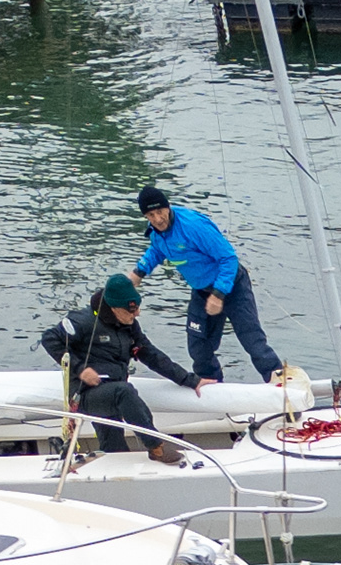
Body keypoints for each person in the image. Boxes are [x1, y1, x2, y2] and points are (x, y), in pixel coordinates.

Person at [131, 183, 283, 386]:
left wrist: (219, 294)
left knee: (252, 340)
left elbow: (228, 258)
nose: (158, 219)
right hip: (202, 291)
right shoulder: (156, 231)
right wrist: (139, 271)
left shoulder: (194, 226)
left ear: (168, 207)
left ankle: (279, 382)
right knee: (198, 347)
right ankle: (211, 386)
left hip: (231, 286)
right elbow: (158, 250)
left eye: (160, 212)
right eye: (151, 215)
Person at [42, 275, 198, 457]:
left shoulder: (129, 325)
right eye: (131, 310)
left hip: (111, 391)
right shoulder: (82, 322)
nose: (137, 314)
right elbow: (49, 339)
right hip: (85, 394)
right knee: (124, 392)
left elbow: (152, 355)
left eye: (137, 308)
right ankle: (156, 446)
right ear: (113, 308)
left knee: (115, 449)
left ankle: (117, 472)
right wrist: (80, 369)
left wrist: (189, 380)